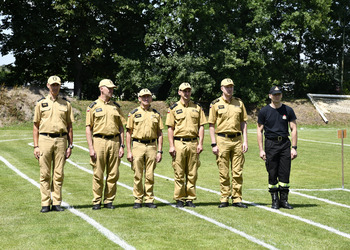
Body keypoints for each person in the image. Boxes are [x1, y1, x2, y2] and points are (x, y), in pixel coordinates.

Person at [33, 75, 74, 213]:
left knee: (58, 174)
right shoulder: (41, 103)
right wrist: (36, 146)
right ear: (48, 86)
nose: (55, 87)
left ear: (60, 86)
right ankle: (45, 203)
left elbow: (69, 126)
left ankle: (56, 202)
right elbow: (36, 126)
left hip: (61, 140)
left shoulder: (66, 104)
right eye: (52, 85)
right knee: (45, 173)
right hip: (44, 139)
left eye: (57, 85)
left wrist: (70, 145)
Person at [85, 79, 126, 210]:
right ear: (101, 89)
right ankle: (96, 201)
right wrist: (91, 148)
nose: (111, 90)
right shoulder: (93, 106)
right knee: (98, 173)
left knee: (113, 173)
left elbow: (121, 127)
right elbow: (88, 128)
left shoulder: (116, 107)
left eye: (113, 88)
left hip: (114, 141)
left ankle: (109, 200)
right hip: (99, 141)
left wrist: (122, 145)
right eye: (109, 88)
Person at [208, 78, 248, 208]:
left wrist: (245, 141)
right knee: (223, 171)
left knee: (237, 171)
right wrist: (214, 144)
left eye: (231, 86)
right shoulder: (215, 104)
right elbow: (211, 124)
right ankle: (224, 198)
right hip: (222, 140)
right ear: (221, 88)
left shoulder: (239, 103)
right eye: (227, 87)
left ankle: (237, 198)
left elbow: (243, 122)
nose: (229, 89)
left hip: (237, 140)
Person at [166, 82, 207, 208]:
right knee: (179, 172)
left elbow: (201, 126)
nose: (187, 93)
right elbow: (170, 128)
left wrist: (200, 143)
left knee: (192, 172)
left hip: (193, 143)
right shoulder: (173, 108)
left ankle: (190, 198)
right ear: (179, 92)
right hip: (179, 142)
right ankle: (179, 198)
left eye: (188, 91)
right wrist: (171, 145)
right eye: (184, 91)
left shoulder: (197, 107)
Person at [257, 86, 297, 209]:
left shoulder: (288, 110)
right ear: (270, 96)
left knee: (285, 173)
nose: (277, 96)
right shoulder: (264, 111)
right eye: (274, 94)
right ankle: (275, 200)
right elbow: (259, 131)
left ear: (281, 95)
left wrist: (294, 147)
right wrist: (261, 149)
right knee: (272, 172)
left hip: (285, 144)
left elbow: (294, 128)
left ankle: (284, 200)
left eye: (279, 94)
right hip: (271, 144)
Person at [126, 89, 163, 209]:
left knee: (150, 174)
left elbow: (160, 133)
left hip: (152, 146)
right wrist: (129, 151)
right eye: (143, 97)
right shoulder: (133, 113)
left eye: (148, 96)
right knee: (138, 174)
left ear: (151, 98)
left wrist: (159, 151)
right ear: (139, 98)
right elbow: (128, 132)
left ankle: (149, 199)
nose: (146, 99)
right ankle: (138, 199)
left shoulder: (156, 114)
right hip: (138, 145)